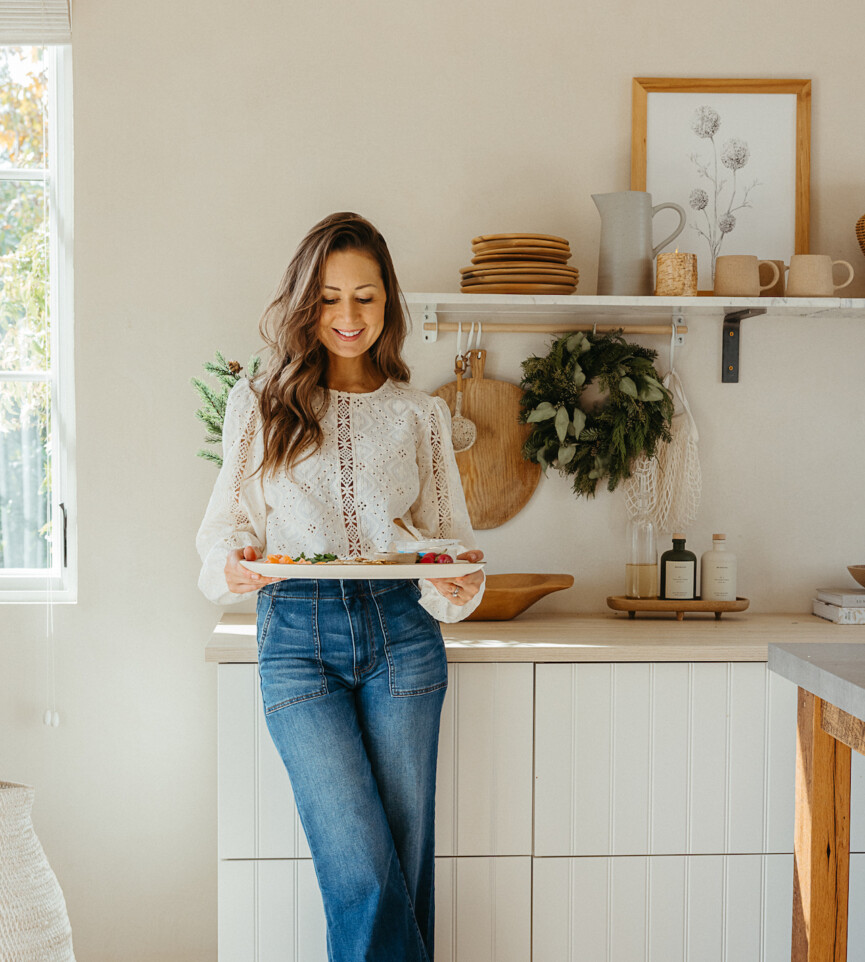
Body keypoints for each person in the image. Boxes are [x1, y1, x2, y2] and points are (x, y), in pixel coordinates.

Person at [196, 211, 485, 962]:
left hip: (403, 640)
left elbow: (449, 539)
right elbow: (225, 525)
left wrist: (457, 585)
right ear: (304, 303)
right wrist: (232, 563)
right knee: (361, 867)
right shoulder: (260, 402)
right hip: (296, 639)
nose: (347, 317)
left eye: (365, 297)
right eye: (328, 298)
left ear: (388, 302)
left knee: (403, 858)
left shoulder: (418, 415)